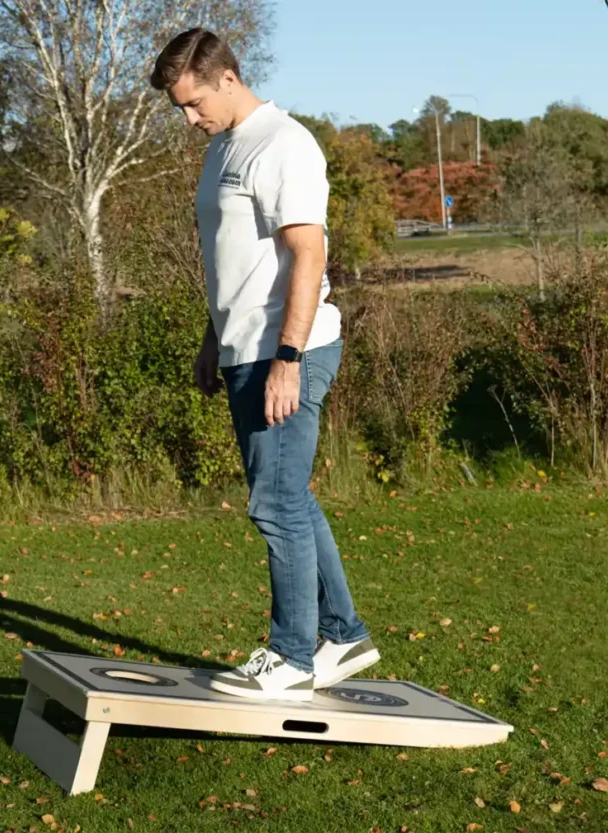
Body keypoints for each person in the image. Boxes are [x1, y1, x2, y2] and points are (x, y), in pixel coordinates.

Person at [149, 29, 379, 702]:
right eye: (180, 110)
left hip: (286, 352)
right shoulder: (224, 147)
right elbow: (237, 261)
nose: (189, 120)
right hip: (243, 348)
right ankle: (343, 633)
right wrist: (210, 339)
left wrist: (287, 357)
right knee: (291, 497)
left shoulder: (283, 144)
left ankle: (292, 656)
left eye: (193, 104)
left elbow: (308, 254)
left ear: (227, 77)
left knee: (274, 503)